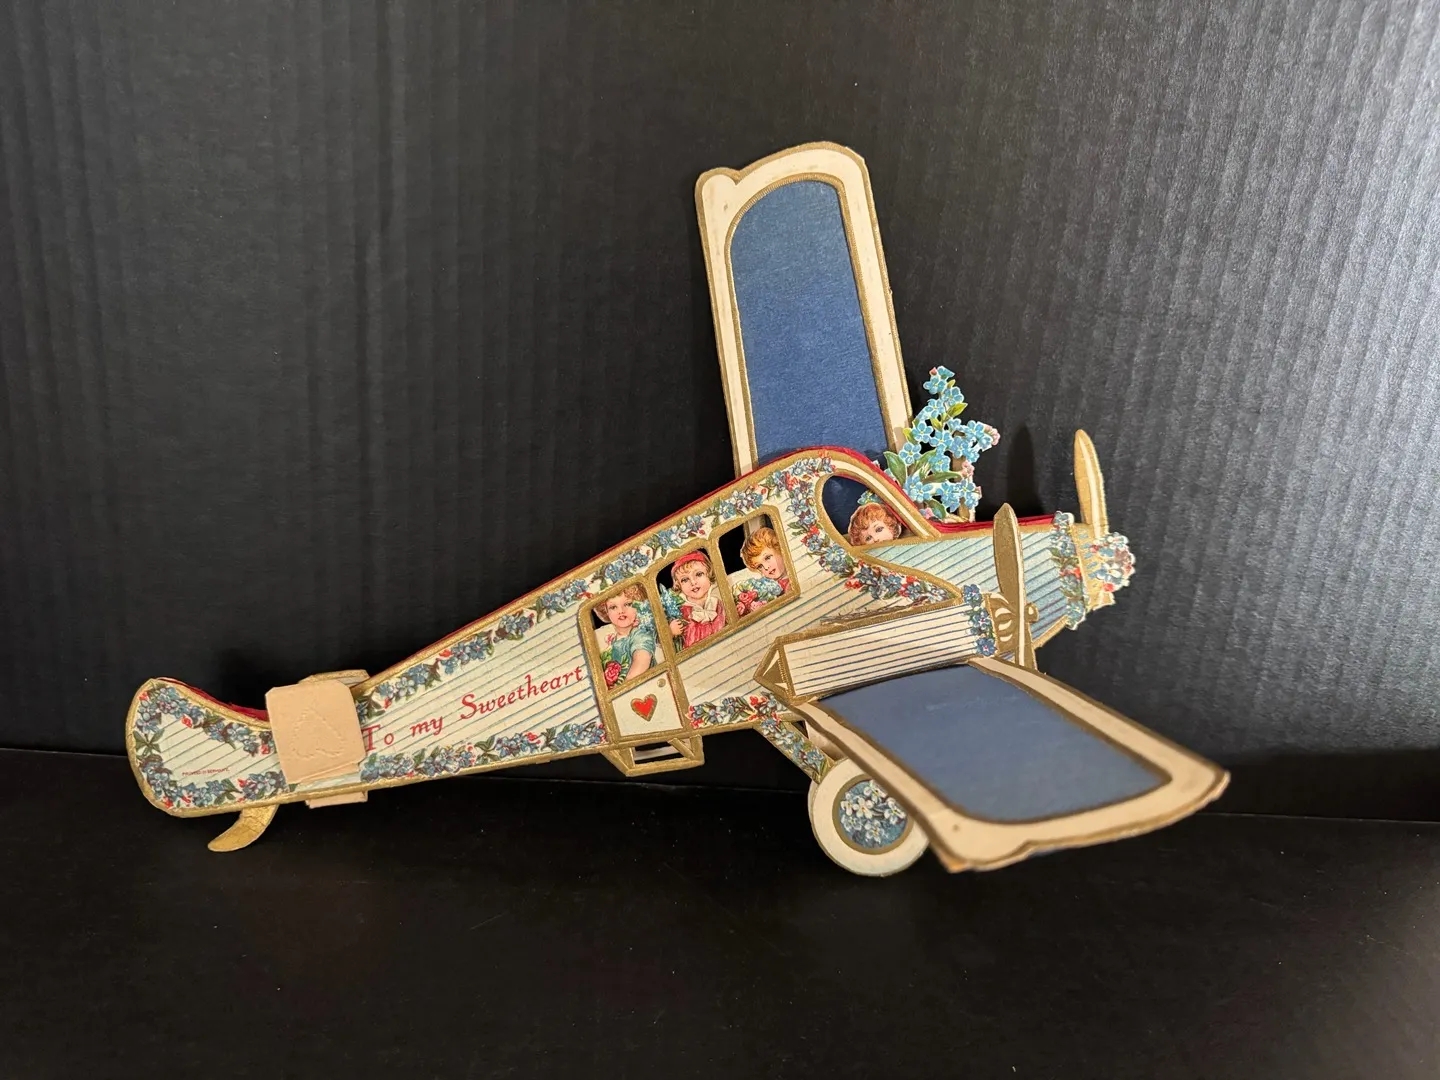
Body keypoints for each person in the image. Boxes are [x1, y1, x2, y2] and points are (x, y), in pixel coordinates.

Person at [594, 585, 656, 688]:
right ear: (606, 612)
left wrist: (622, 688)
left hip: (643, 687)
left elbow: (641, 661)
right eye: (613, 607)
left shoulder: (640, 635)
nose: (621, 611)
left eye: (627, 604)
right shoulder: (612, 640)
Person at [667, 551, 727, 649]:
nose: (693, 582)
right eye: (685, 580)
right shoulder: (681, 612)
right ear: (679, 585)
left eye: (699, 574)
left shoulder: (717, 603)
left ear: (709, 574)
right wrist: (671, 632)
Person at [733, 527, 790, 615]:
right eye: (760, 566)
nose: (766, 567)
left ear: (779, 548)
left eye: (767, 557)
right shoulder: (766, 587)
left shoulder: (792, 579)